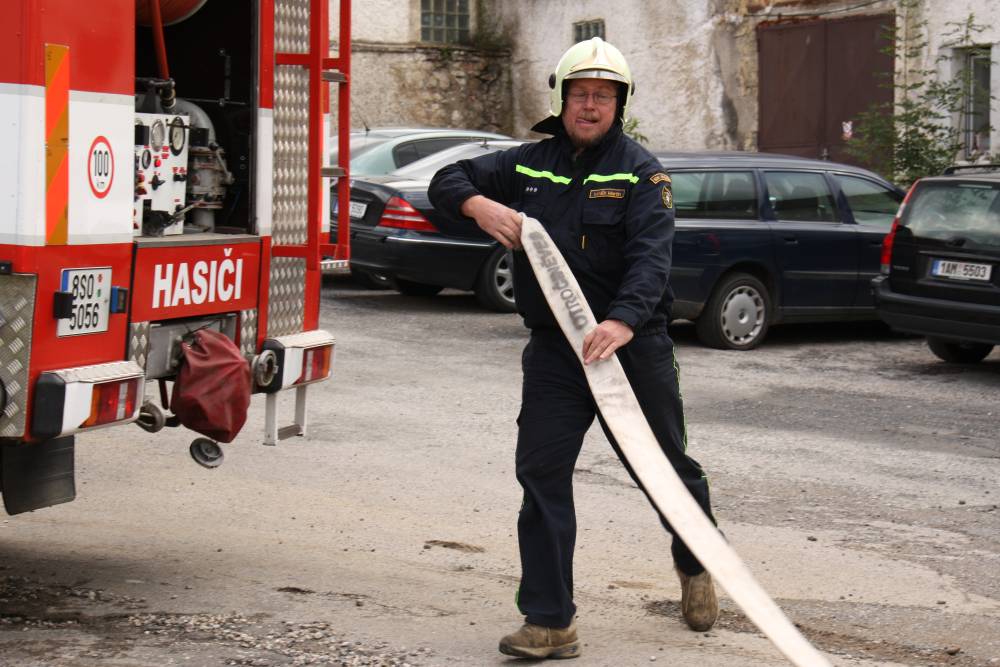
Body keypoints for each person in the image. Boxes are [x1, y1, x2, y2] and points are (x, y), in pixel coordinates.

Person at [428, 37, 719, 660]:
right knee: (541, 473)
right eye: (580, 94)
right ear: (562, 100)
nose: (590, 106)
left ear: (619, 104)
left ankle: (696, 562)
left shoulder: (643, 173)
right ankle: (550, 621)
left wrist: (624, 320)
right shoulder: (528, 164)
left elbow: (651, 258)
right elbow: (445, 178)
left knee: (665, 468)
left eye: (603, 96)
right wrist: (477, 205)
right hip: (556, 353)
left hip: (630, 349)